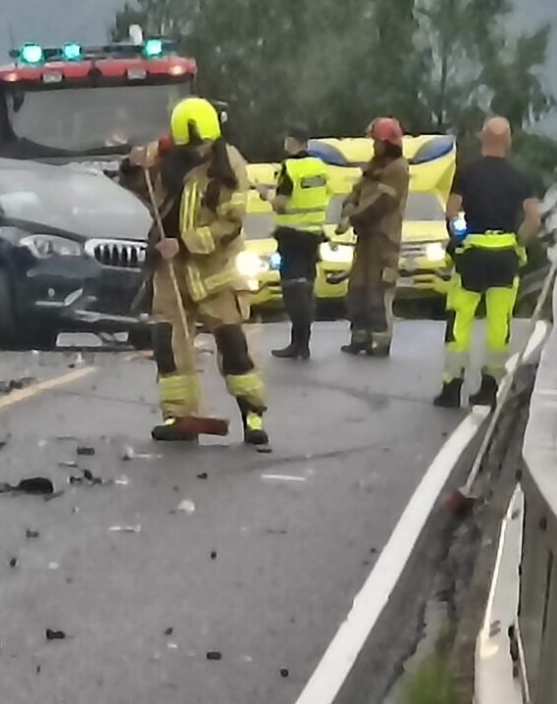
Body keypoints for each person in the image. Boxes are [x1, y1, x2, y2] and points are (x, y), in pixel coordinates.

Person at [122, 98, 269, 446]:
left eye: (202, 145)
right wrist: (131, 165)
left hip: (215, 271)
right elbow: (141, 186)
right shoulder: (166, 157)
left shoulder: (230, 166)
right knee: (168, 344)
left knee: (232, 344)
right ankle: (178, 415)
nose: (198, 151)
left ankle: (253, 414)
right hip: (170, 270)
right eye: (191, 146)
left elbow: (229, 225)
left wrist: (184, 244)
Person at [433, 116, 542, 409]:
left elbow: (452, 214)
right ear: (509, 141)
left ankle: (452, 386)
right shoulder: (520, 178)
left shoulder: (467, 173)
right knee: (499, 323)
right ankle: (489, 387)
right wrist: (517, 242)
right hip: (505, 255)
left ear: (482, 139)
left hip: (473, 254)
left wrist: (460, 239)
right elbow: (534, 219)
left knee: (461, 319)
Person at [336, 117, 410, 357]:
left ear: (388, 142)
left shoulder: (398, 169)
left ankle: (380, 339)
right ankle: (360, 336)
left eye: (376, 141)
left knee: (378, 290)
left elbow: (382, 203)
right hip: (365, 238)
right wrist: (347, 207)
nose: (373, 146)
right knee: (358, 287)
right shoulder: (373, 166)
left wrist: (353, 218)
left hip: (383, 239)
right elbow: (356, 191)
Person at [265, 126, 330, 360]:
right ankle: (304, 343)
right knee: (306, 287)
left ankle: (297, 343)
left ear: (291, 141)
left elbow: (281, 203)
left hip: (291, 236)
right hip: (313, 235)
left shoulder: (289, 167)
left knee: (293, 289)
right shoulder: (320, 166)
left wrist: (266, 195)